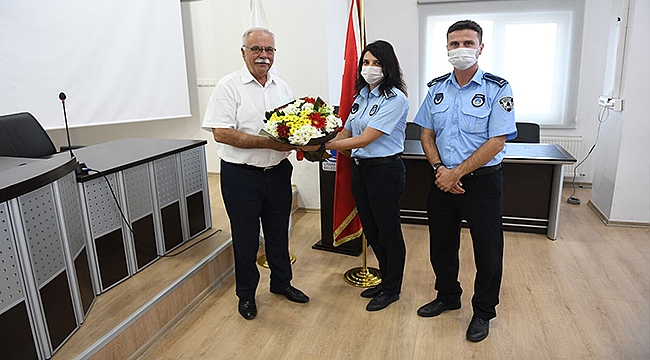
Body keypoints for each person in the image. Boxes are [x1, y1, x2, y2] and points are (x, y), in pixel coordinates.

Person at [413, 20, 516, 342]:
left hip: (482, 183)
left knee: (487, 250)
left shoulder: (498, 88)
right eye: (454, 44)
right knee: (442, 244)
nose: (461, 49)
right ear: (446, 49)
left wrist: (456, 173)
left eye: (467, 43)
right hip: (441, 178)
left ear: (480, 48)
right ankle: (447, 296)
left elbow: (497, 141)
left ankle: (483, 311)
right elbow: (426, 134)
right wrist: (440, 170)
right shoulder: (437, 89)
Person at [202, 27, 309, 321]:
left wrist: (309, 143)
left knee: (279, 234)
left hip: (277, 173)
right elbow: (221, 133)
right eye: (256, 49)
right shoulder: (228, 86)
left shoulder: (282, 87)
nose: (263, 55)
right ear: (243, 52)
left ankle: (282, 283)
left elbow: (293, 128)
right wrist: (270, 142)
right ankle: (246, 295)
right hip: (241, 177)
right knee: (246, 239)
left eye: (269, 50)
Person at [325, 40, 409, 312]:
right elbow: (347, 133)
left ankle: (392, 289)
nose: (369, 68)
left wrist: (324, 146)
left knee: (388, 232)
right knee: (372, 231)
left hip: (385, 171)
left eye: (377, 63)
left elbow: (365, 139)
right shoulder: (361, 96)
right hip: (362, 171)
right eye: (366, 62)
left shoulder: (395, 99)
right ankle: (384, 281)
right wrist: (321, 139)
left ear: (388, 67)